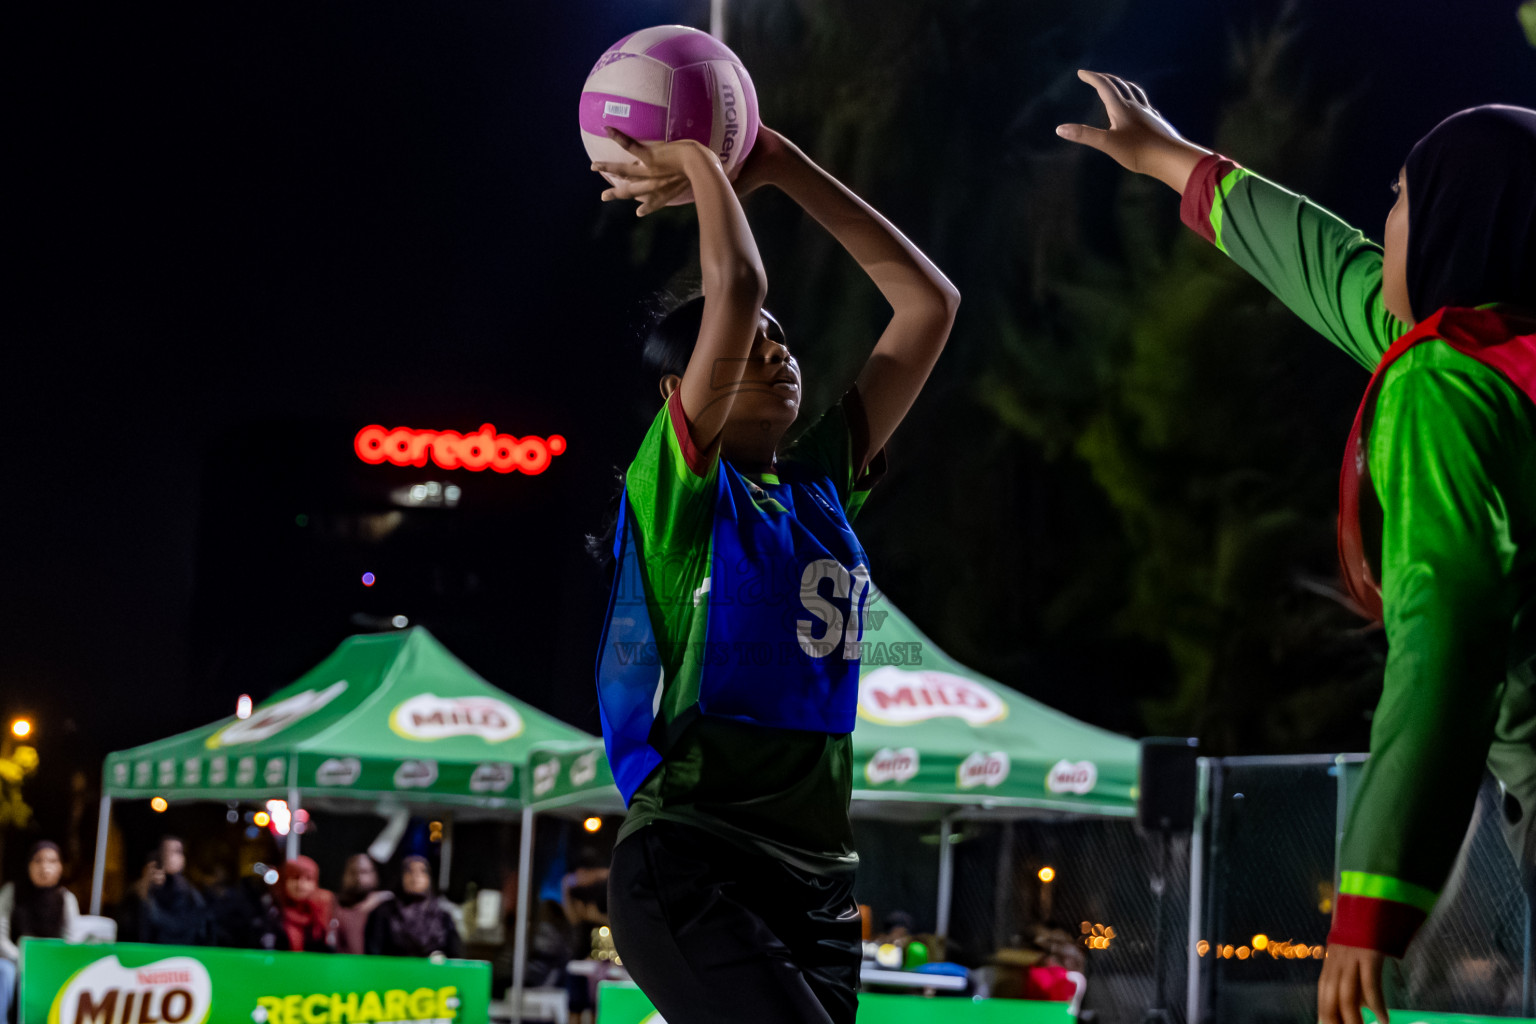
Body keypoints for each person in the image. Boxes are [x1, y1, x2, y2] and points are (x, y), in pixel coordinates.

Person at [1058, 71, 1535, 1024]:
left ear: (1452, 224)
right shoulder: (1504, 359)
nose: (1384, 220)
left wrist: (1375, 896)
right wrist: (1168, 158)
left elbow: (1447, 638)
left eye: (1403, 198)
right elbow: (1330, 265)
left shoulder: (1449, 385)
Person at [590, 115, 958, 1024]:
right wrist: (701, 163)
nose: (776, 348)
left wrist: (787, 167)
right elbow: (741, 282)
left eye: (781, 338)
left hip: (822, 888)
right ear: (683, 392)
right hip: (694, 858)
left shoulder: (820, 485)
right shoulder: (677, 493)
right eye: (752, 341)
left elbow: (929, 306)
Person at [0, 842, 79, 1022]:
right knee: (3, 971)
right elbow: (1, 937)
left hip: (52, 962)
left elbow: (72, 941)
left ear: (60, 867)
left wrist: (47, 962)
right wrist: (23, 959)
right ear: (29, 865)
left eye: (52, 861)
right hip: (15, 961)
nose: (45, 867)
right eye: (38, 861)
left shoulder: (66, 899)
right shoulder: (11, 892)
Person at [365, 856, 462, 958]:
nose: (416, 876)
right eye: (409, 871)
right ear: (400, 876)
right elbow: (373, 953)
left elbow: (455, 956)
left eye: (422, 871)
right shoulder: (384, 912)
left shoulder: (442, 916)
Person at [134, 837, 211, 946]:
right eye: (164, 852)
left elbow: (180, 928)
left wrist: (148, 901)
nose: (168, 856)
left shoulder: (188, 893)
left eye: (177, 852)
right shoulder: (145, 889)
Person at [256, 857, 336, 953]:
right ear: (284, 881)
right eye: (295, 877)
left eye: (308, 879)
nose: (300, 884)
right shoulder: (271, 912)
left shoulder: (325, 914)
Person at [334, 854, 391, 955]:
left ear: (374, 874)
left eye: (364, 872)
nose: (358, 877)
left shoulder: (385, 903)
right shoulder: (337, 906)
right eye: (354, 872)